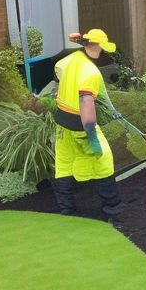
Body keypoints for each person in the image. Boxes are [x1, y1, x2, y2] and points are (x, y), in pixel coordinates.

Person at [52, 29, 125, 221]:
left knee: (64, 163)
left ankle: (67, 210)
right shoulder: (90, 73)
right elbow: (86, 105)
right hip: (79, 124)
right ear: (99, 46)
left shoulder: (70, 60)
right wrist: (92, 137)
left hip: (61, 120)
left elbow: (58, 72)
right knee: (103, 163)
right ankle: (113, 211)